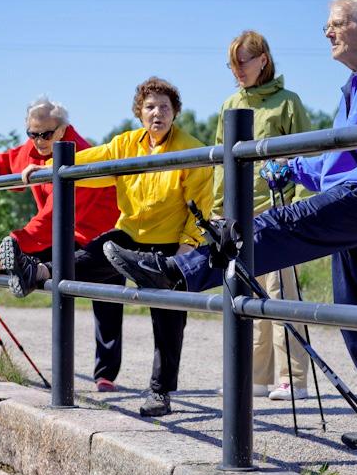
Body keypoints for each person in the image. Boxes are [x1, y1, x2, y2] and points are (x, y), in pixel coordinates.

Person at [104, 0, 357, 452]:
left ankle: (178, 273)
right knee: (356, 313)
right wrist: (294, 167)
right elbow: (341, 159)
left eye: (336, 23)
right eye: (327, 26)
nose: (328, 32)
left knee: (274, 225)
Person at [14, 77, 214, 417]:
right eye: (150, 107)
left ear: (175, 112)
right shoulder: (125, 144)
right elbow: (90, 162)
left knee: (168, 318)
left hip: (169, 245)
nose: (157, 114)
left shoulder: (190, 149)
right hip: (130, 235)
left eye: (165, 107)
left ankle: (160, 393)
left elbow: (201, 208)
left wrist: (185, 250)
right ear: (139, 112)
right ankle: (38, 271)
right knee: (92, 254)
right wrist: (47, 169)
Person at [0, 96, 124, 393]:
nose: (39, 140)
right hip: (65, 235)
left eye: (46, 134)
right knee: (27, 263)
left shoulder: (79, 154)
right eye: (33, 133)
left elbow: (54, 216)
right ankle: (4, 260)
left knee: (107, 301)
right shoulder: (33, 149)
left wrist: (16, 239)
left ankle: (105, 375)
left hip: (100, 236)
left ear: (62, 129)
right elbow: (6, 161)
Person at [215, 30, 312, 401]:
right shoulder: (229, 104)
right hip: (241, 214)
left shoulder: (288, 103)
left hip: (279, 208)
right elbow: (222, 164)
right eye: (232, 63)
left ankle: (293, 379)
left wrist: (301, 206)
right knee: (245, 294)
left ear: (263, 60)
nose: (237, 70)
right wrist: (217, 208)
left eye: (243, 61)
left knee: (281, 294)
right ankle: (255, 376)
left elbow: (307, 154)